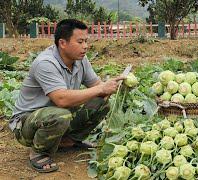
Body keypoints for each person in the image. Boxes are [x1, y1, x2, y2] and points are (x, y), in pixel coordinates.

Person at [9, 19, 125, 173]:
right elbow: (61, 99)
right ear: (62, 43)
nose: (85, 46)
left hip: (57, 115)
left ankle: (68, 141)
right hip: (26, 124)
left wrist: (113, 86)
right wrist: (101, 88)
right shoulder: (45, 63)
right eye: (80, 41)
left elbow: (97, 86)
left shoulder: (80, 60)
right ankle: (39, 152)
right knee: (60, 114)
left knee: (101, 103)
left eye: (86, 41)